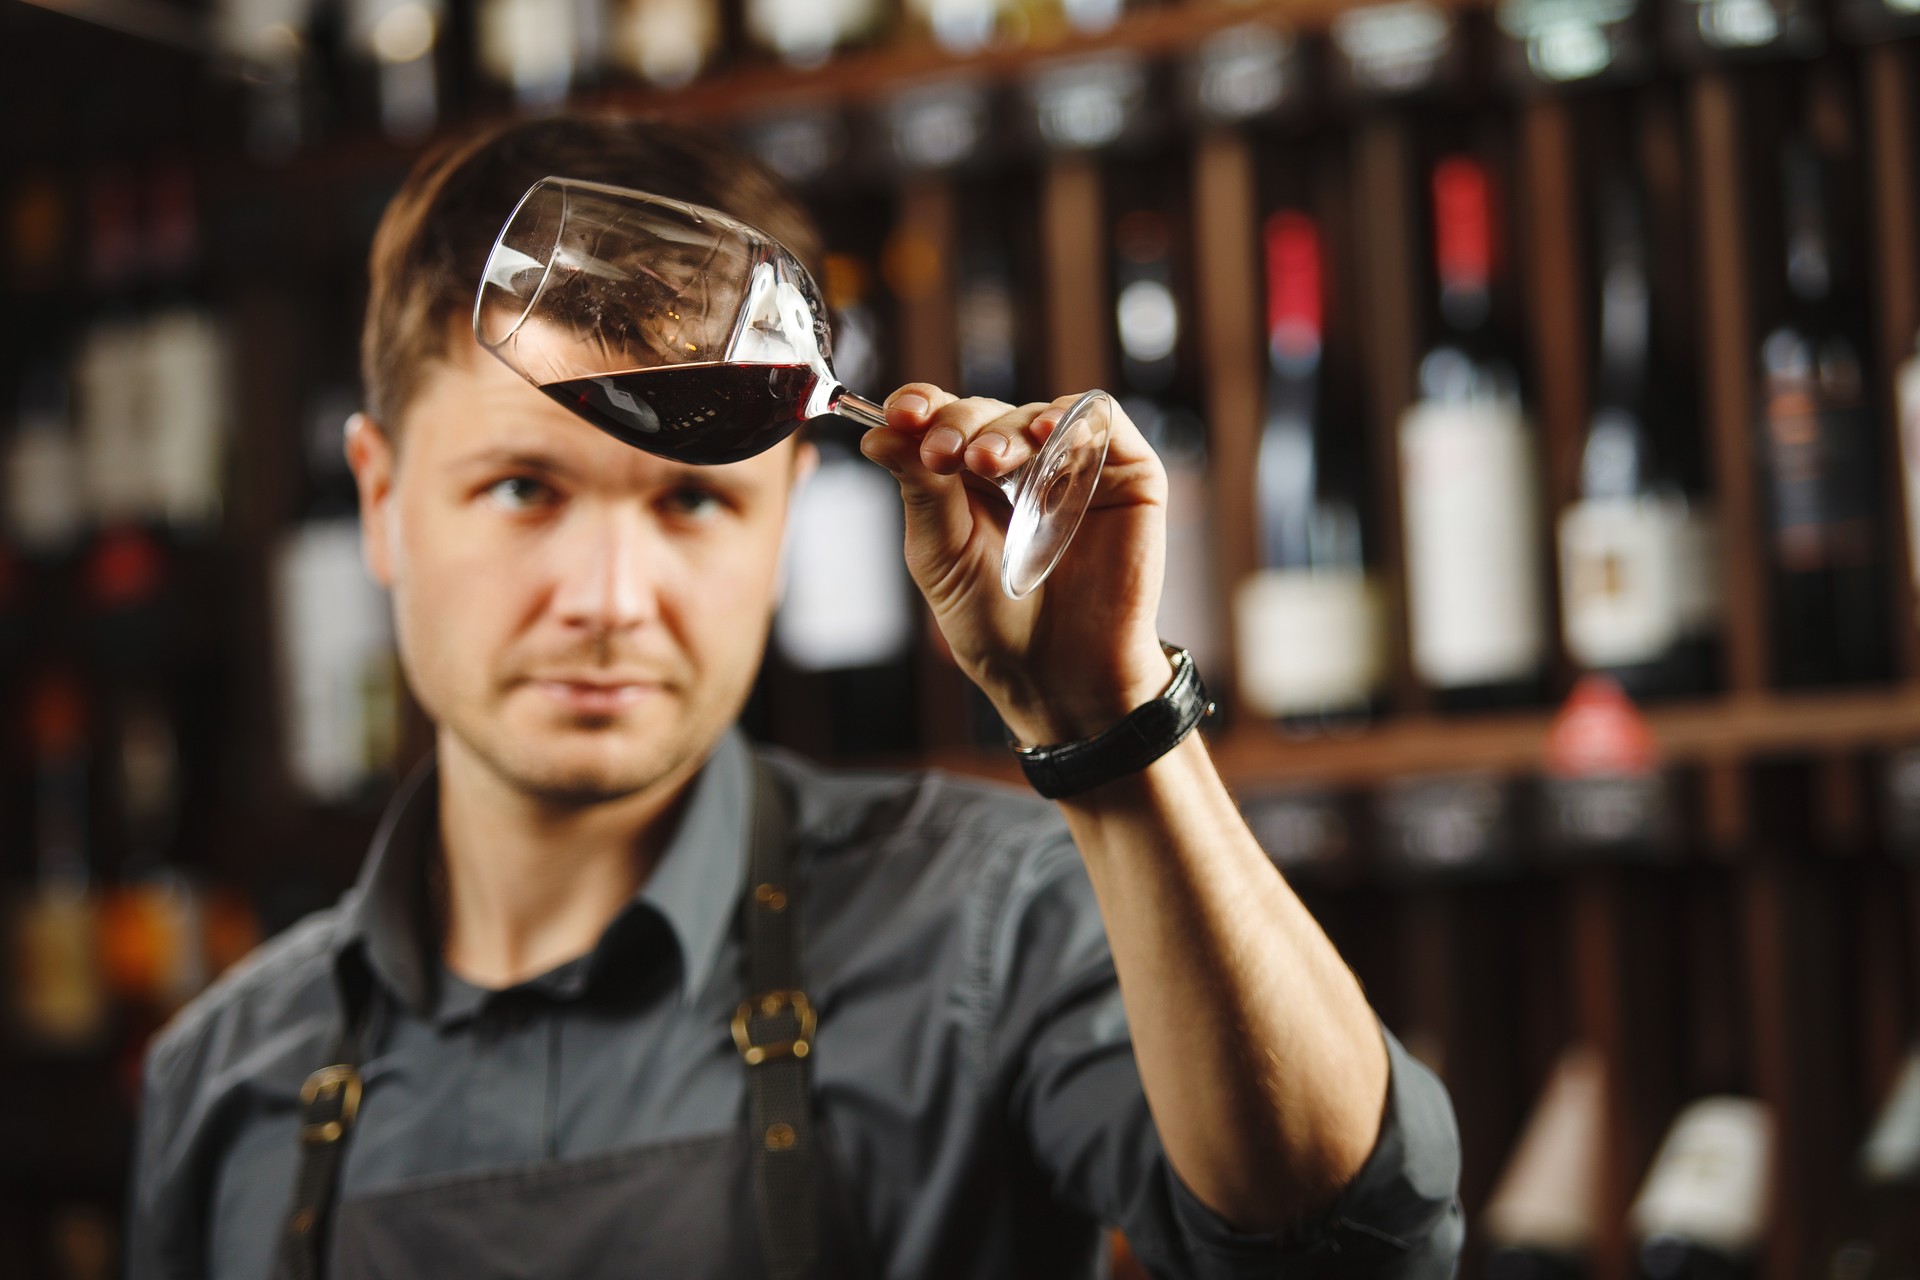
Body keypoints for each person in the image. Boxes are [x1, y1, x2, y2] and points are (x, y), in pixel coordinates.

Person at [128, 114, 1462, 1280]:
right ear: (379, 501)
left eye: (694, 501)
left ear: (780, 529)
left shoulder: (987, 927)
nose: (610, 594)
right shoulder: (218, 1081)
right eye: (524, 489)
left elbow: (1352, 1245)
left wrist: (1111, 727)